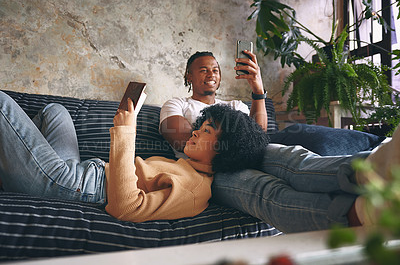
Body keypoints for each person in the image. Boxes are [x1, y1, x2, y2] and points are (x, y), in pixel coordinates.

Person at [159, 50, 399, 233]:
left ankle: (377, 167)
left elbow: (259, 135)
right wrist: (232, 137)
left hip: (249, 152)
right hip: (210, 171)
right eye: (203, 69)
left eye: (215, 69)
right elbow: (184, 141)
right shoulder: (177, 104)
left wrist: (257, 88)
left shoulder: (234, 105)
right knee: (264, 192)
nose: (211, 73)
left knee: (296, 161)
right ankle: (361, 213)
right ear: (189, 75)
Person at [0, 91, 268, 223]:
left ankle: (15, 171)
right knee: (55, 111)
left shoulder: (194, 190)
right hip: (82, 171)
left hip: (74, 185)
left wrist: (126, 132)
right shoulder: (186, 168)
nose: (195, 132)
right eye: (200, 126)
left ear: (224, 149)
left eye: (207, 130)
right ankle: (12, 167)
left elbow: (125, 208)